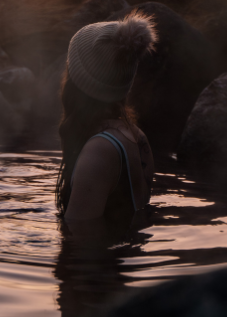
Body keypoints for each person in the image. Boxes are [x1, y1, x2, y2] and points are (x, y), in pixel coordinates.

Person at [55, 12, 157, 229]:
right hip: (120, 261)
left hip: (102, 263)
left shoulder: (99, 151)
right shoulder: (137, 136)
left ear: (77, 82)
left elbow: (78, 243)